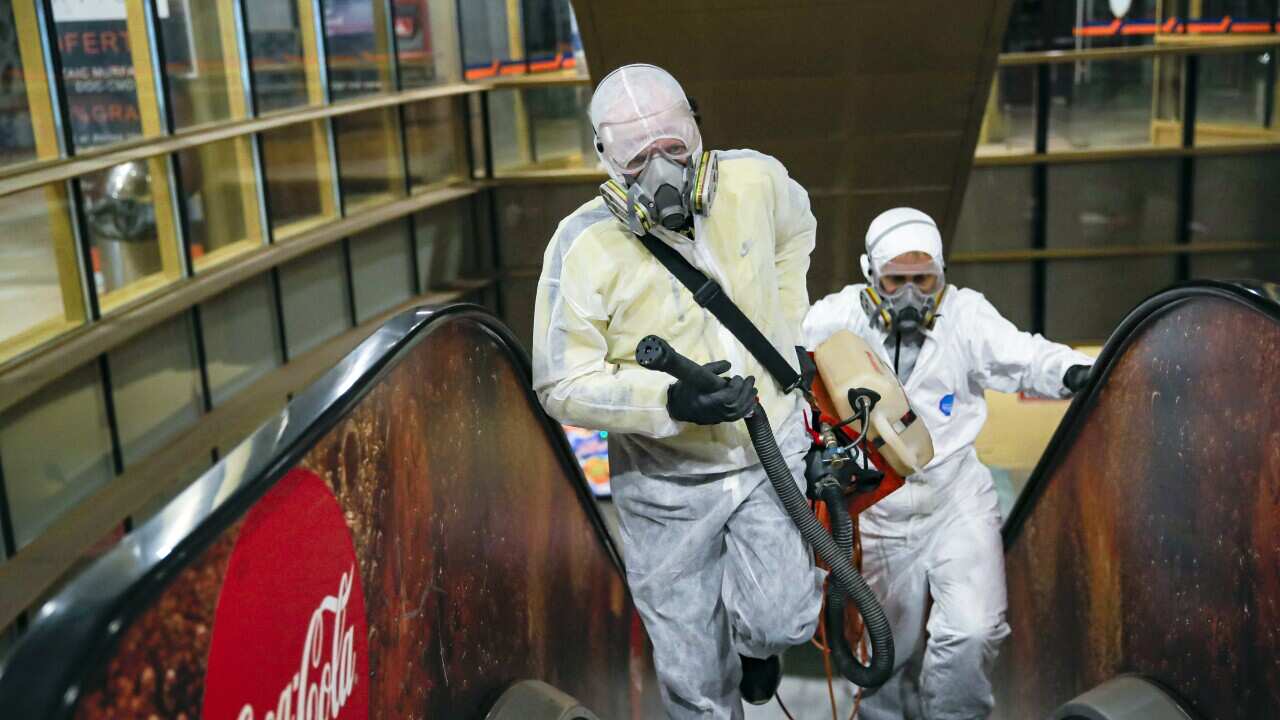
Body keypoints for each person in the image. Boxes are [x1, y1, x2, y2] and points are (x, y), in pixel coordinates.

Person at [531, 63, 823, 719]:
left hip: (765, 450)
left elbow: (796, 231)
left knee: (784, 619)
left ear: (696, 134)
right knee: (693, 677)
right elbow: (560, 380)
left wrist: (787, 329)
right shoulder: (582, 249)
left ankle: (756, 648)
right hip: (666, 482)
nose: (662, 172)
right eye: (639, 159)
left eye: (674, 150)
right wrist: (667, 403)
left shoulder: (756, 182)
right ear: (606, 159)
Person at [802, 207, 1093, 719]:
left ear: (942, 276)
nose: (911, 296)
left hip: (955, 499)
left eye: (924, 280)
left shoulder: (966, 316)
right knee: (885, 652)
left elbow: (1022, 356)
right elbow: (785, 369)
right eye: (896, 281)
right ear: (870, 274)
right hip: (878, 513)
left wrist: (1071, 371)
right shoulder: (834, 320)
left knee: (973, 630)